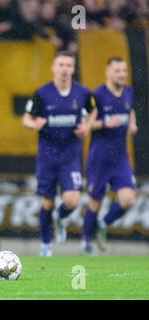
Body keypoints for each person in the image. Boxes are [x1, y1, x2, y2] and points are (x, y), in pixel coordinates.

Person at [22, 51, 96, 257]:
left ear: (73, 69)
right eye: (61, 65)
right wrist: (34, 124)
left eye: (69, 65)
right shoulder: (42, 93)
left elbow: (92, 111)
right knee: (46, 202)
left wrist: (87, 126)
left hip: (70, 157)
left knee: (72, 200)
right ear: (53, 68)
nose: (65, 69)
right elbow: (27, 118)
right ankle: (46, 245)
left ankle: (59, 217)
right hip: (47, 157)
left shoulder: (82, 93)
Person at [82, 57, 137, 255]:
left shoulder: (128, 91)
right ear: (108, 72)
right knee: (95, 202)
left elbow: (129, 110)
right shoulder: (97, 95)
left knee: (128, 199)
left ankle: (103, 225)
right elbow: (86, 125)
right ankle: (87, 242)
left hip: (120, 158)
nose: (122, 74)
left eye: (124, 70)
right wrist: (105, 123)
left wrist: (131, 123)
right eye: (117, 70)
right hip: (99, 158)